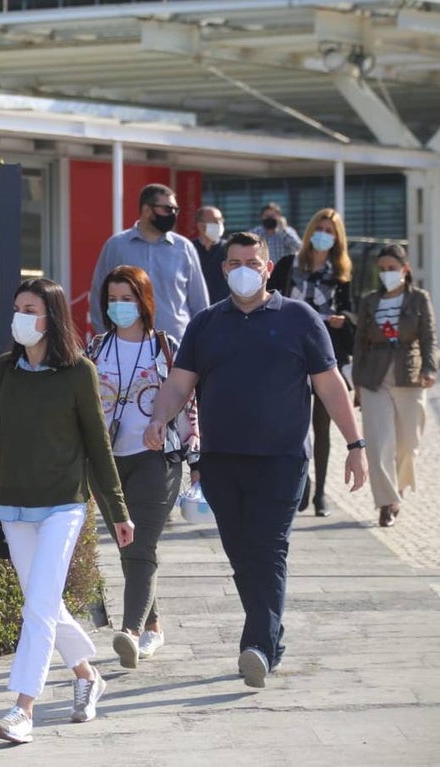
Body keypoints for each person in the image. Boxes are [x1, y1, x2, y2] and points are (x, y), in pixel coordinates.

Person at [143, 231, 367, 690]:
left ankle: (258, 646)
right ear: (224, 269)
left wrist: (355, 445)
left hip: (282, 460)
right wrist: (159, 419)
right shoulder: (206, 324)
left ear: (267, 268)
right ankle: (271, 639)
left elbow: (329, 386)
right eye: (235, 263)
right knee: (241, 554)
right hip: (221, 460)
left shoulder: (300, 319)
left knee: (267, 548)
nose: (244, 270)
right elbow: (180, 382)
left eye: (252, 262)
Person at [0, 278, 133, 744]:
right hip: (14, 507)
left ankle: (23, 709)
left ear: (51, 317)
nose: (20, 317)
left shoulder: (78, 372)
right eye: (17, 308)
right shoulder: (5, 369)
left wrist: (118, 511)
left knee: (37, 606)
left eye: (30, 309)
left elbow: (98, 446)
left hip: (63, 505)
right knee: (45, 604)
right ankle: (87, 676)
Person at [85, 266, 199, 669]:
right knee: (128, 544)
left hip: (157, 459)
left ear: (145, 301)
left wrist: (195, 456)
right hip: (106, 462)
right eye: (113, 299)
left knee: (140, 543)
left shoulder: (165, 347)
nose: (119, 306)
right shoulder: (96, 348)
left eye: (127, 298)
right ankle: (153, 626)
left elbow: (189, 400)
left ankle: (130, 632)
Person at [270, 208, 355, 517]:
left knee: (322, 426)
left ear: (337, 238)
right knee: (293, 423)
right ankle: (301, 481)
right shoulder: (288, 265)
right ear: (309, 232)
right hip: (288, 353)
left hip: (324, 353)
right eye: (320, 228)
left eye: (330, 231)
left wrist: (343, 320)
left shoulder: (341, 272)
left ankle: (320, 495)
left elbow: (350, 312)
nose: (323, 235)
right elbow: (270, 299)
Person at [352, 243, 437, 527]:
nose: (387, 273)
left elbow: (429, 337)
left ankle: (398, 488)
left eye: (392, 268)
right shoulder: (370, 300)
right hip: (374, 378)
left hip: (409, 375)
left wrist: (429, 368)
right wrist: (357, 383)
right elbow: (360, 343)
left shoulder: (419, 299)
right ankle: (387, 502)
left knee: (408, 445)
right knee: (379, 445)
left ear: (405, 269)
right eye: (382, 269)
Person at [89, 183, 209, 340]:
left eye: (176, 210)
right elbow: (99, 296)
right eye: (168, 209)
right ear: (146, 210)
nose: (173, 214)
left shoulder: (184, 247)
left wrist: (199, 342)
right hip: (127, 343)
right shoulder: (116, 245)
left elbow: (199, 302)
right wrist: (107, 340)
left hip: (177, 344)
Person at [193, 205, 230, 304]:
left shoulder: (229, 248)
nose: (219, 224)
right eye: (215, 221)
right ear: (200, 225)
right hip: (197, 307)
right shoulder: (189, 248)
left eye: (221, 220)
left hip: (224, 306)